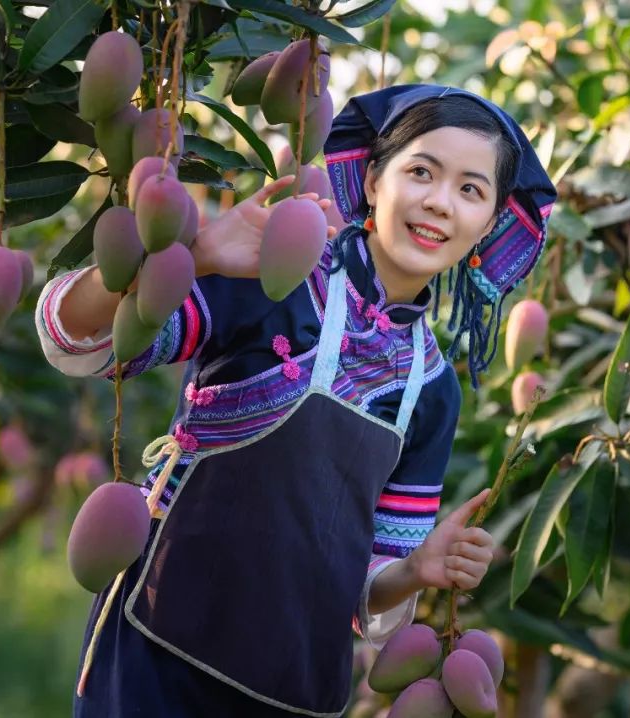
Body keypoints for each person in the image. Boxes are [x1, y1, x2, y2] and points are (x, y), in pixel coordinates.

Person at [36, 83, 556, 717]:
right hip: (156, 653)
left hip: (293, 691)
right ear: (372, 180)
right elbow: (84, 339)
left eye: (470, 190)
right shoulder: (273, 280)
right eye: (422, 171)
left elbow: (369, 590)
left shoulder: (433, 391)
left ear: (488, 221)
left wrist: (420, 568)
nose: (440, 203)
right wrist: (195, 257)